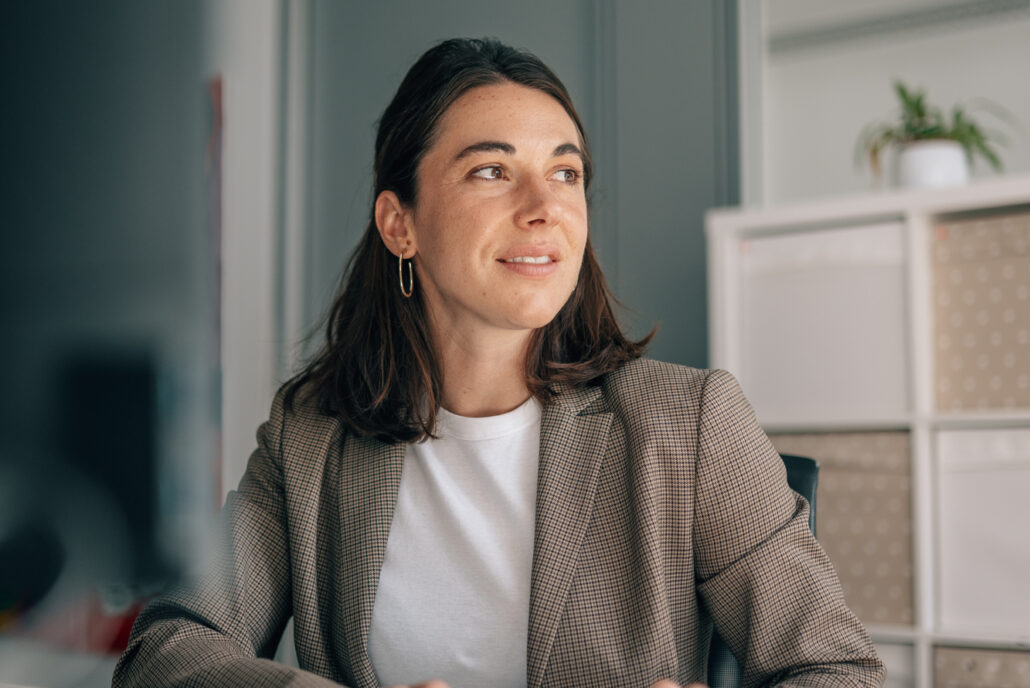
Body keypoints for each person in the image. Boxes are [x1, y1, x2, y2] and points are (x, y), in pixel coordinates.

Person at [113, 38, 885, 688]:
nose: (544, 205)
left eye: (566, 171)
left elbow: (839, 670)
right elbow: (166, 650)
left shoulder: (690, 423)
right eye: (491, 170)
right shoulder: (308, 436)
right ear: (399, 223)